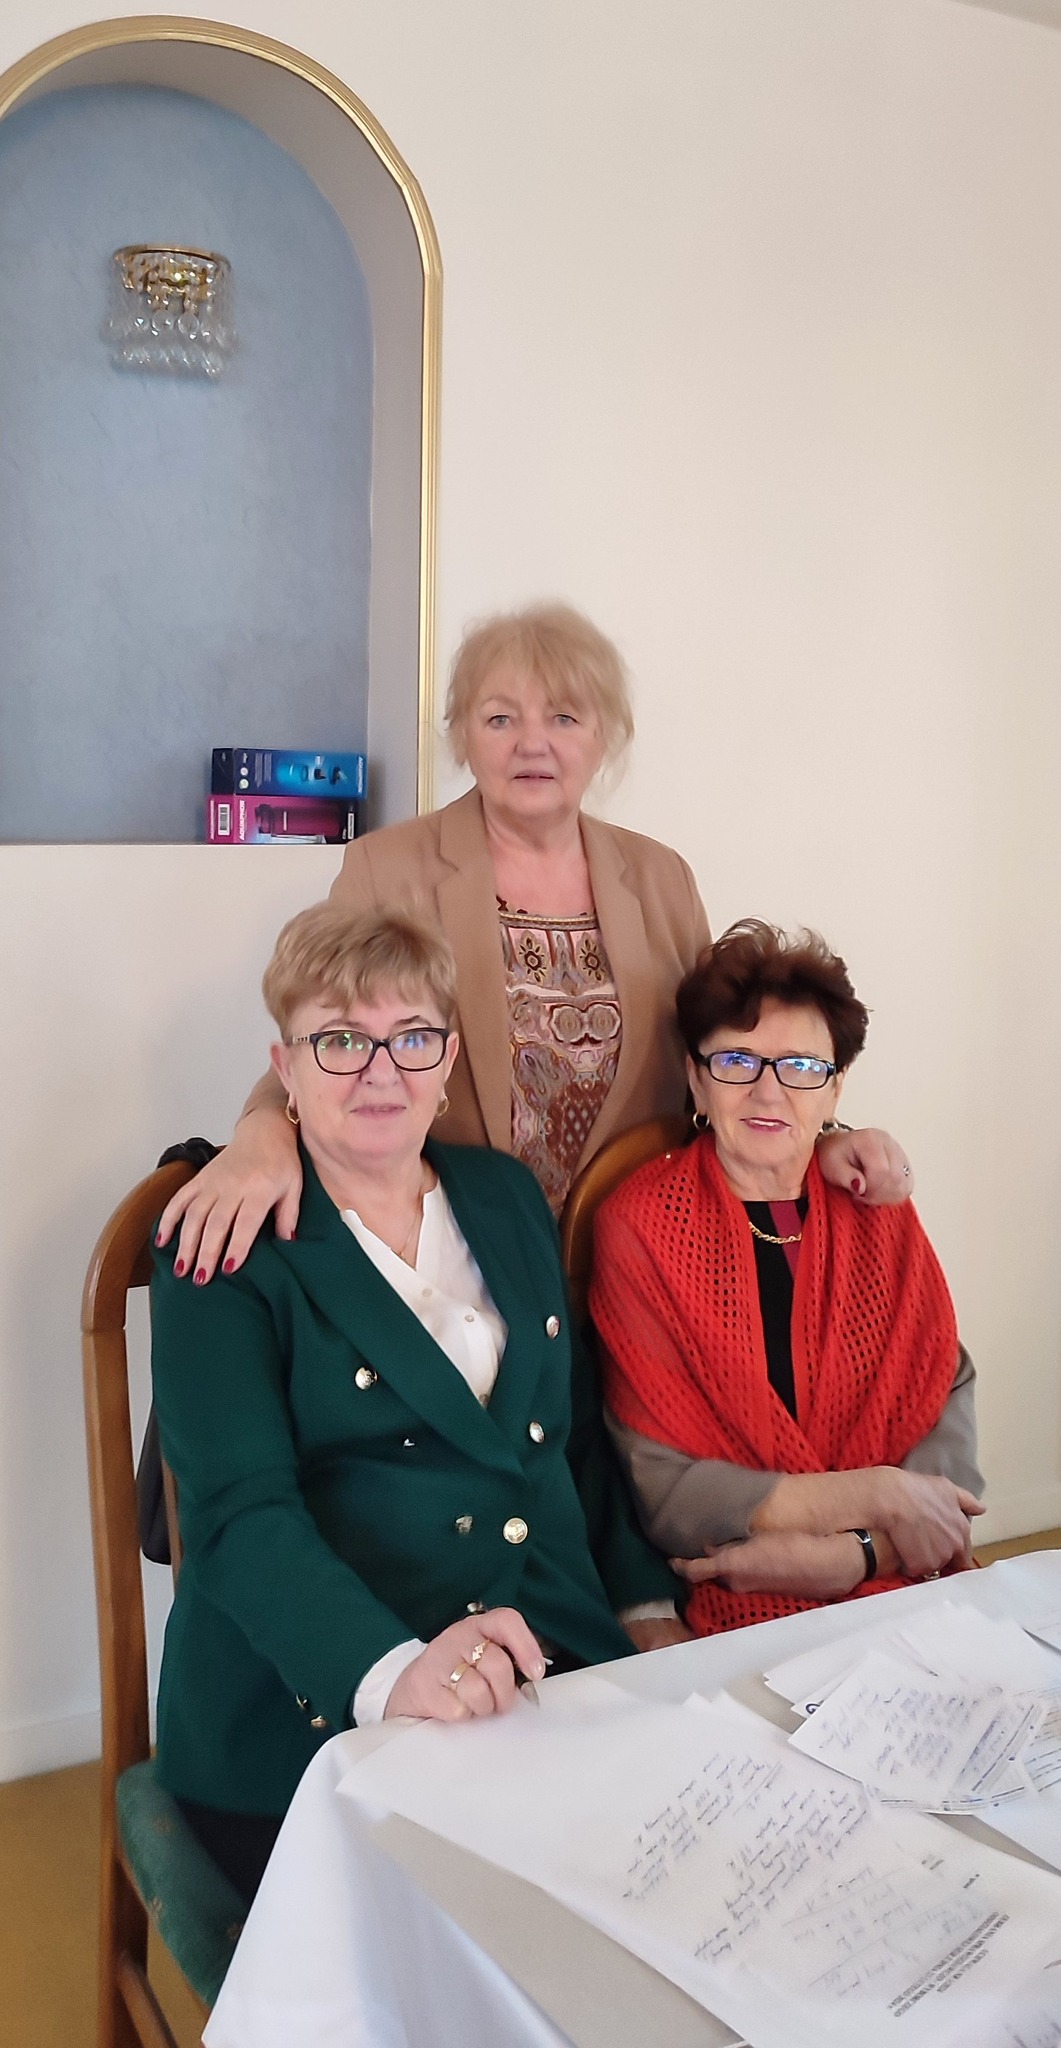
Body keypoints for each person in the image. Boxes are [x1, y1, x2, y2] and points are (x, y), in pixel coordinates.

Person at [158, 604, 913, 1271]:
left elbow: (728, 1057)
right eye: (500, 718)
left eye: (563, 717)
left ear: (604, 737)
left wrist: (821, 1137)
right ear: (463, 735)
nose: (531, 744)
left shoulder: (662, 879)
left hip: (636, 1263)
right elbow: (322, 1043)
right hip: (451, 1261)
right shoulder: (387, 869)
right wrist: (260, 1134)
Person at [150, 903, 652, 1906]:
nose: (380, 1071)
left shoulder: (503, 1195)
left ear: (447, 1057)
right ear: (284, 1067)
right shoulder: (225, 1238)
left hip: (547, 1664)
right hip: (318, 1711)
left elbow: (574, 1441)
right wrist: (391, 1674)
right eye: (340, 1040)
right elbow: (238, 1516)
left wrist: (647, 1609)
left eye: (411, 1037)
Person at [591, 920, 984, 1636]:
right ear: (695, 1080)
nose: (768, 1092)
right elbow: (667, 1489)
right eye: (736, 1061)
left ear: (834, 1092)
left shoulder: (878, 1210)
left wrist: (853, 1556)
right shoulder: (640, 1228)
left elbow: (941, 1392)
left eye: (801, 1067)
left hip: (906, 1585)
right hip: (734, 1604)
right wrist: (877, 1495)